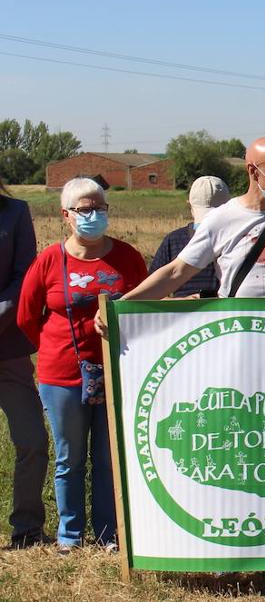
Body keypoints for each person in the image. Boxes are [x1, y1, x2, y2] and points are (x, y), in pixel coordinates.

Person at [17, 178, 148, 552]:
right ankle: (70, 535)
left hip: (117, 370)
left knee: (109, 458)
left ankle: (109, 533)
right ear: (66, 216)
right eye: (84, 210)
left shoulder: (127, 257)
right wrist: (52, 347)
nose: (93, 216)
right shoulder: (49, 260)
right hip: (62, 375)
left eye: (99, 208)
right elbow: (28, 316)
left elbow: (145, 308)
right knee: (69, 457)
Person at [98, 137, 265, 312]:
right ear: (253, 172)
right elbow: (176, 272)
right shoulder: (221, 218)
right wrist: (123, 306)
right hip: (236, 331)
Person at [0, 176, 49, 548]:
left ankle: (28, 529)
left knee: (32, 439)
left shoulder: (15, 212)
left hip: (9, 349)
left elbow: (24, 276)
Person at [148, 175, 230, 297]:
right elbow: (152, 290)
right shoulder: (241, 238)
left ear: (190, 205)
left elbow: (151, 289)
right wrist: (180, 303)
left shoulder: (173, 240)